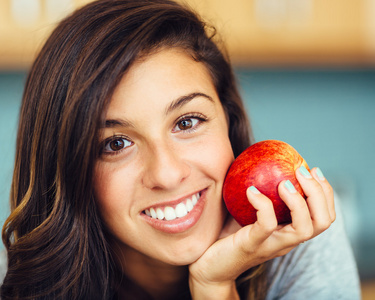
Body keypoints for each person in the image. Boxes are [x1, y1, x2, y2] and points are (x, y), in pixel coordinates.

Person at [0, 0, 360, 299]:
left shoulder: (297, 247)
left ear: (228, 120)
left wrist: (215, 286)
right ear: (66, 167)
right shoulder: (16, 284)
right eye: (116, 144)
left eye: (187, 122)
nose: (168, 173)